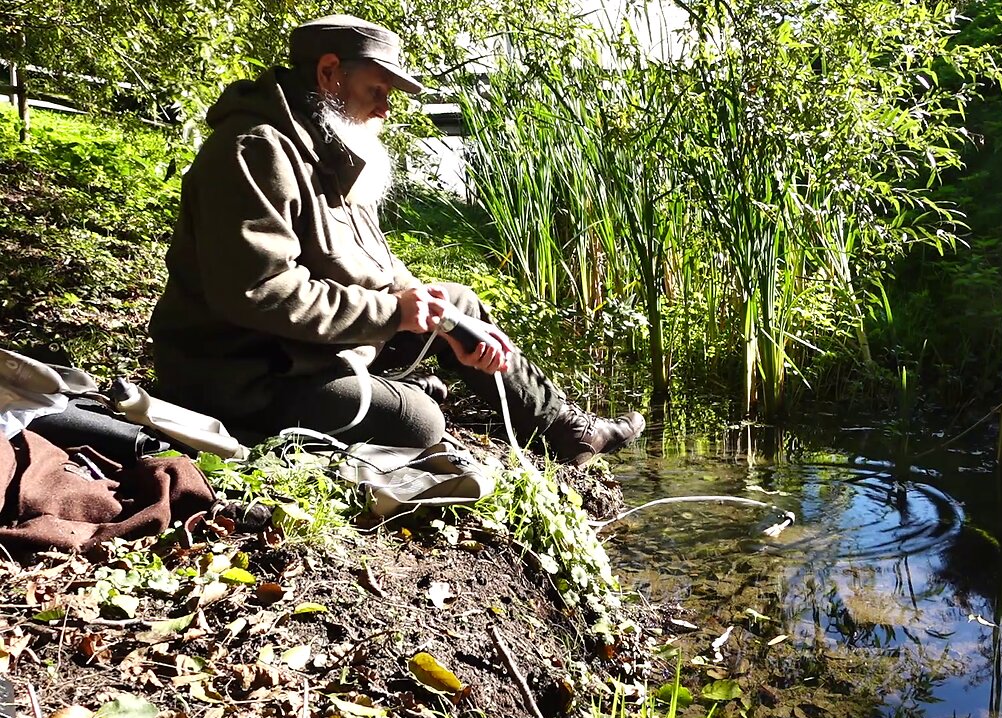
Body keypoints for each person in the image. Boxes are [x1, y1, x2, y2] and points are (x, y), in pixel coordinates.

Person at [148, 15, 644, 465]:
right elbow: (261, 292)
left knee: (458, 303)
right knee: (420, 421)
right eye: (377, 91)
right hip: (245, 377)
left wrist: (431, 309)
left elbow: (372, 264)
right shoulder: (255, 151)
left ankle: (566, 430)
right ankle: (399, 391)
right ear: (328, 73)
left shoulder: (328, 150)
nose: (386, 109)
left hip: (312, 348)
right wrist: (396, 314)